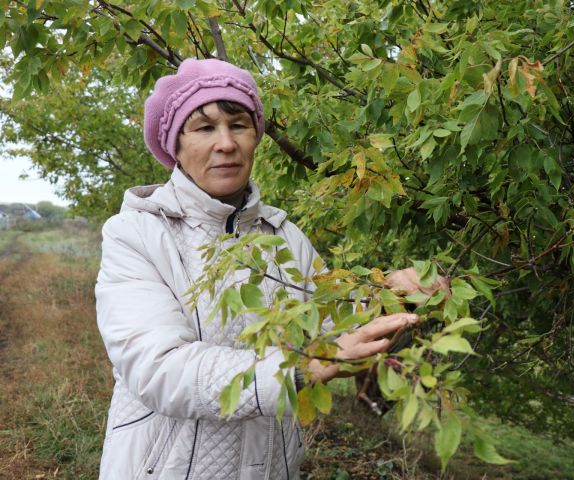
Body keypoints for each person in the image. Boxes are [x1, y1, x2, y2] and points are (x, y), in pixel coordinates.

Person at [95, 58, 424, 480]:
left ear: (256, 137)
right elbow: (159, 369)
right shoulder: (137, 234)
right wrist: (304, 368)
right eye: (204, 127)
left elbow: (325, 323)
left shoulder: (284, 237)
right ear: (175, 145)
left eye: (238, 124)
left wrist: (386, 297)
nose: (226, 143)